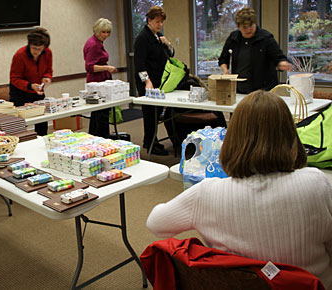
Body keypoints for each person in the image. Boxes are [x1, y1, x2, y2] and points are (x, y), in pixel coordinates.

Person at [146, 90, 332, 288]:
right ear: (290, 135)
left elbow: (155, 223)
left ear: (233, 137)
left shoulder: (207, 193)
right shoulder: (317, 183)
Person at [218, 7, 292, 94]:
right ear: (238, 26)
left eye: (251, 26)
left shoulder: (265, 38)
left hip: (263, 89)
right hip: (240, 89)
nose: (248, 30)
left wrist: (282, 63)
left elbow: (278, 57)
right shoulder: (234, 38)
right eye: (245, 27)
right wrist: (225, 70)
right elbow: (223, 58)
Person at [134, 5, 175, 156]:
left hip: (159, 80)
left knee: (156, 114)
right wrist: (147, 82)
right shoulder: (142, 38)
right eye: (157, 21)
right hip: (148, 82)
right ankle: (150, 142)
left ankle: (153, 139)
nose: (160, 24)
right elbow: (139, 64)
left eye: (161, 22)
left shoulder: (158, 36)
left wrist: (168, 43)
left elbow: (170, 55)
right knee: (150, 114)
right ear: (149, 20)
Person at [9, 27, 53, 135]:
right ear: (29, 44)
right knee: (21, 124)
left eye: (39, 49)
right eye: (34, 48)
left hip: (38, 90)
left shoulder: (47, 53)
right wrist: (30, 86)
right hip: (20, 93)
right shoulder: (20, 55)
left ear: (44, 47)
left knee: (42, 121)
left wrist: (46, 77)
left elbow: (48, 70)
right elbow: (14, 78)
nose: (36, 52)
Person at [83, 18, 117, 138]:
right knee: (100, 113)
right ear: (97, 31)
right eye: (103, 32)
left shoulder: (96, 42)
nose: (106, 35)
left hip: (100, 80)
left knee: (99, 112)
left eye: (108, 32)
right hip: (97, 82)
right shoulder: (93, 45)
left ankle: (99, 136)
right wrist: (107, 68)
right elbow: (90, 67)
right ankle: (101, 136)